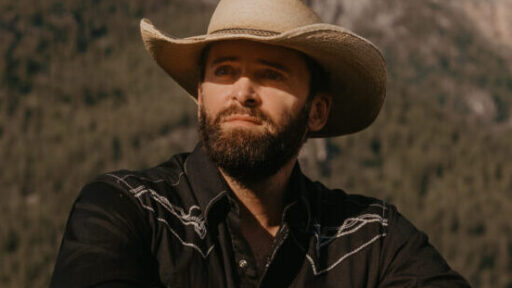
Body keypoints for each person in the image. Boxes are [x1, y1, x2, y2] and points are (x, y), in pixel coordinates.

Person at [51, 0, 471, 287]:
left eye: (271, 73)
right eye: (225, 70)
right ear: (200, 95)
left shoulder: (373, 240)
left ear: (317, 111)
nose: (243, 91)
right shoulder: (128, 211)